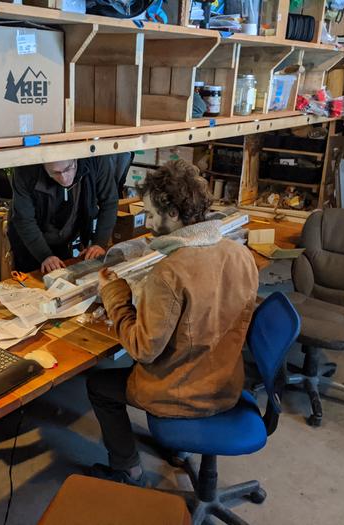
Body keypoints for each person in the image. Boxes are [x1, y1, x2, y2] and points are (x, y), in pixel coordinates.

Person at [86, 160, 259, 486]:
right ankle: (182, 448)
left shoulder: (171, 271)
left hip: (182, 395)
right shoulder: (239, 254)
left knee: (97, 386)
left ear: (175, 215)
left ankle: (128, 469)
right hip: (226, 384)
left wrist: (114, 295)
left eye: (151, 215)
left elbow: (143, 349)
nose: (148, 223)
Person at [8, 153, 131, 273]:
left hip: (66, 239)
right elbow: (24, 219)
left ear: (75, 158)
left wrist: (99, 243)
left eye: (68, 169)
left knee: (66, 276)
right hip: (31, 243)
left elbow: (109, 202)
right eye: (55, 173)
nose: (64, 178)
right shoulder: (25, 170)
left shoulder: (95, 159)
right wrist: (45, 256)